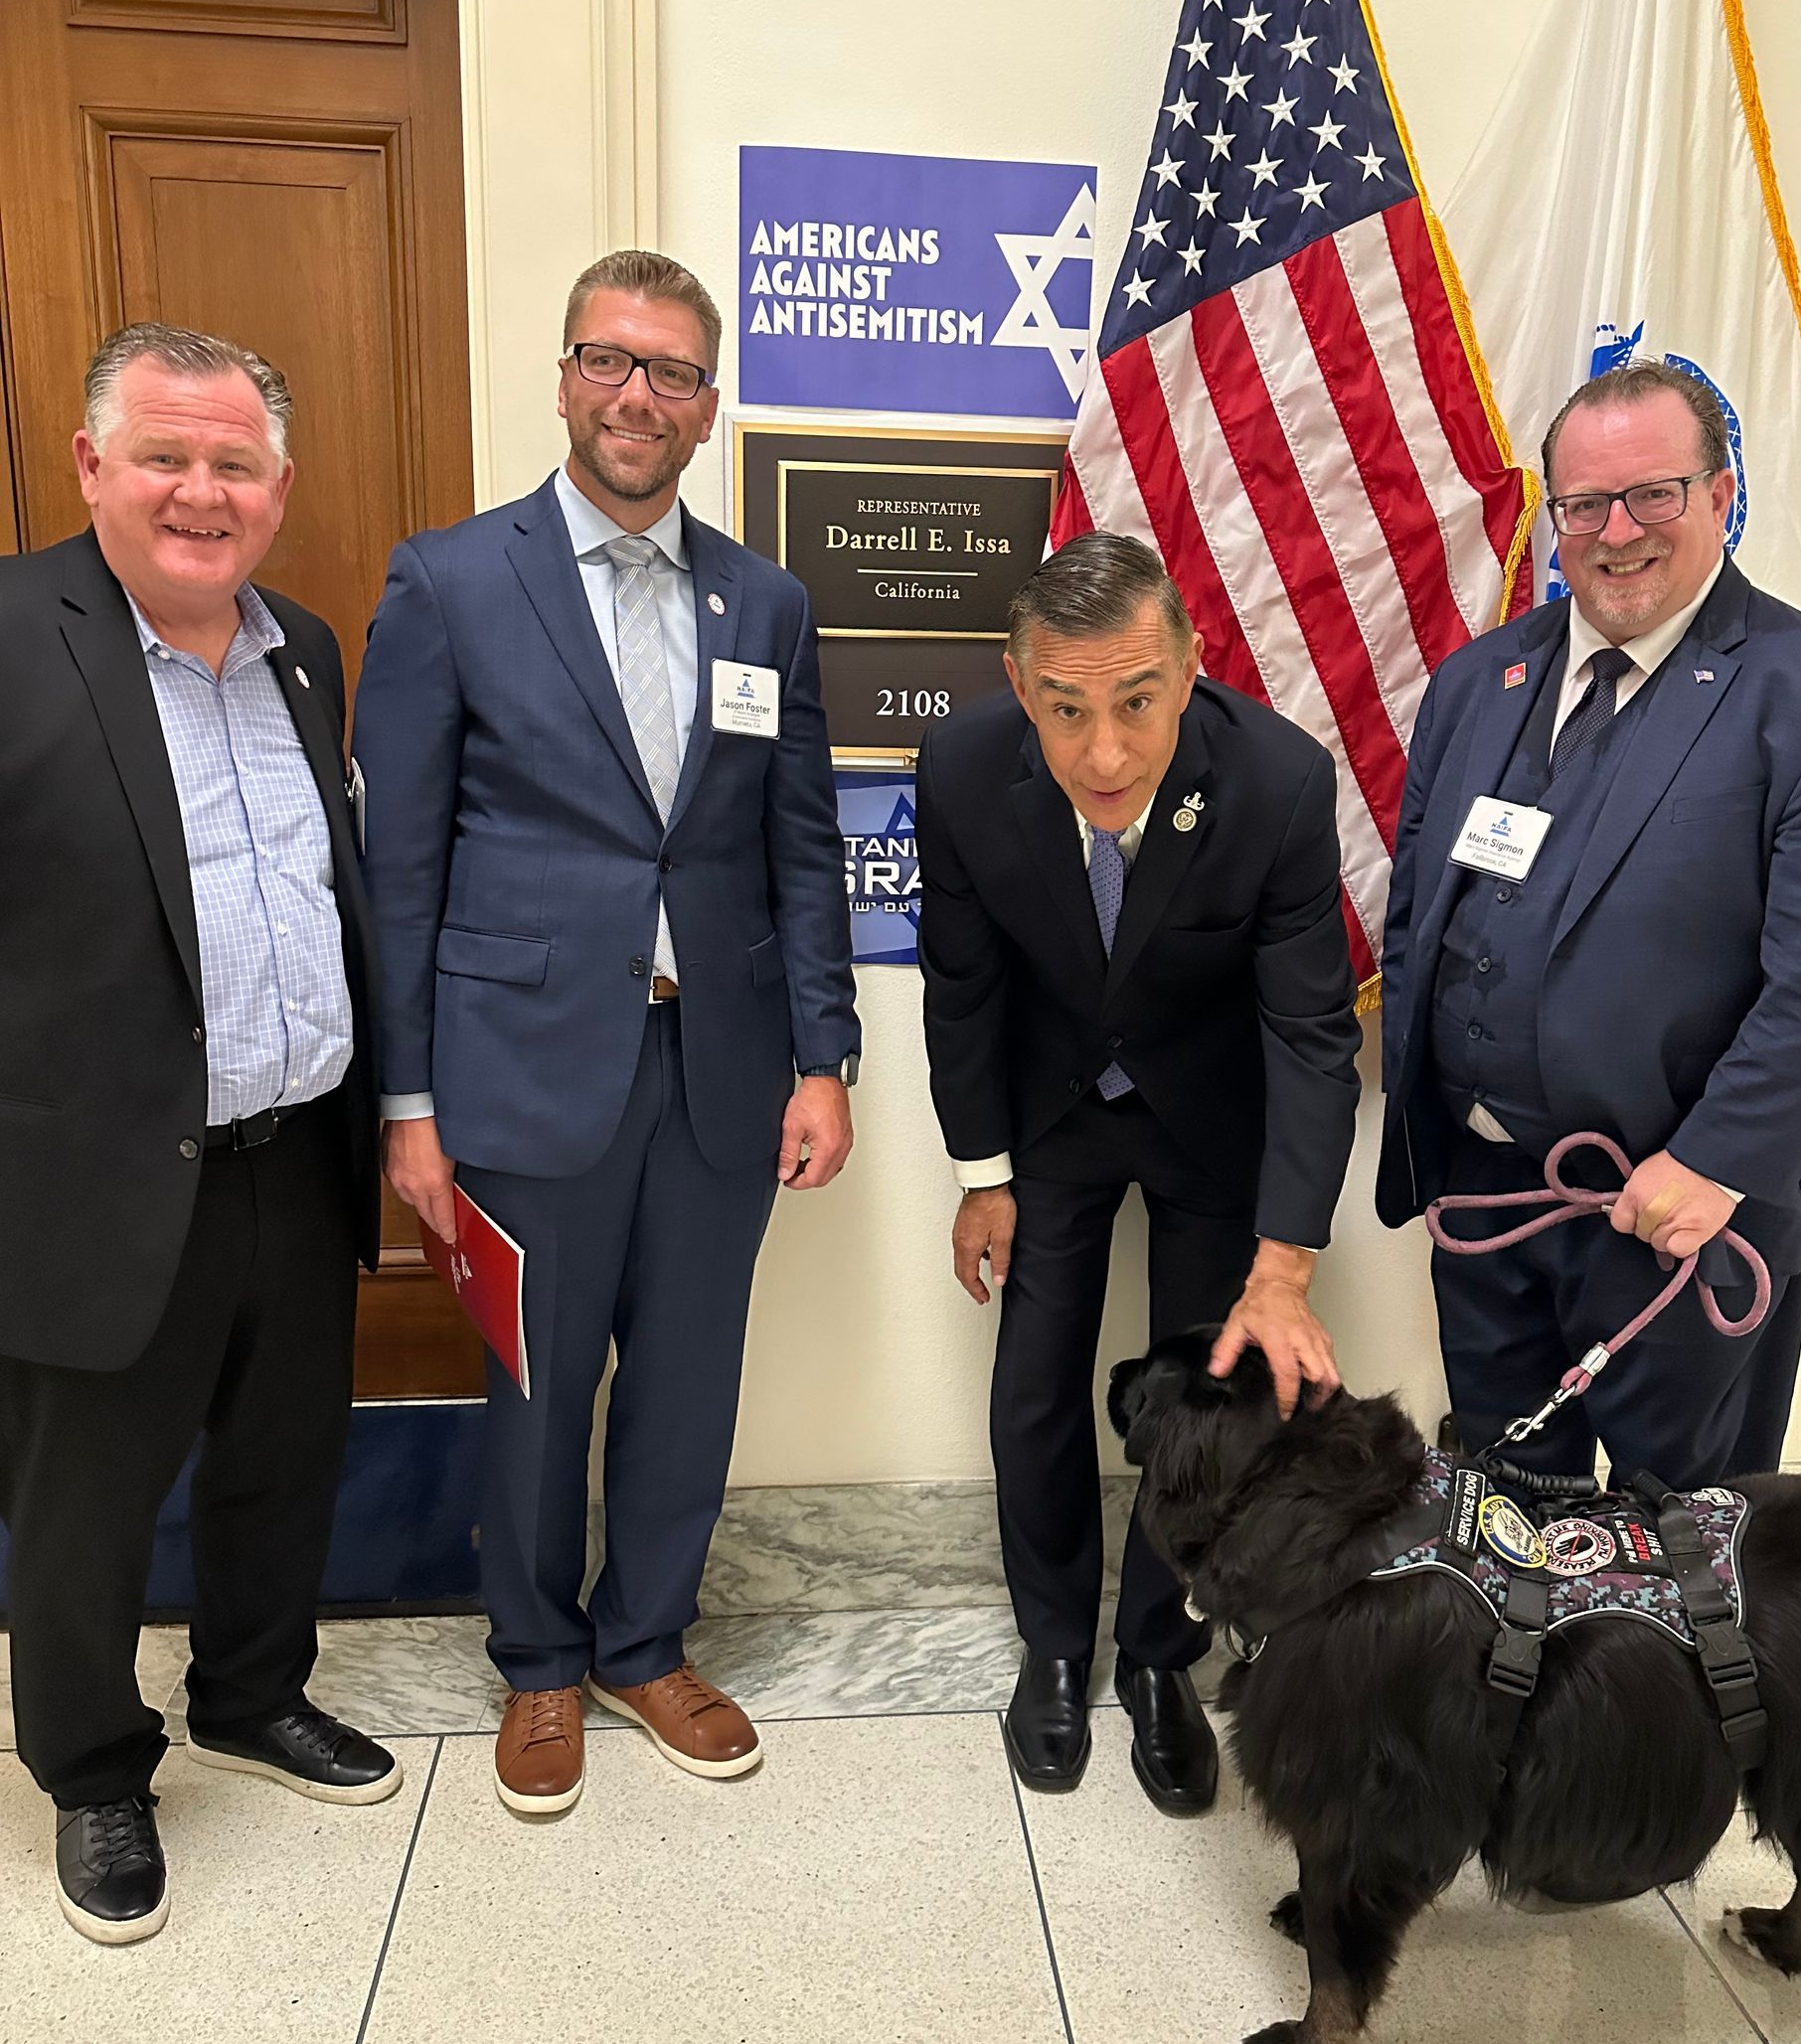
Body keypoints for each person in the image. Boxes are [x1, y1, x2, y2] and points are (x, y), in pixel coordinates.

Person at [354, 248, 859, 1817]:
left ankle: (647, 1645)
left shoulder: (762, 601)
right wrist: (410, 1102)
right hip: (517, 1069)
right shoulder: (449, 580)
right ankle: (537, 1665)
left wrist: (826, 1058)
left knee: (688, 1381)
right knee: (536, 1383)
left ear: (711, 408)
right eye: (608, 360)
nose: (638, 395)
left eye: (673, 372)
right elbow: (404, 867)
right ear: (565, 377)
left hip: (717, 1067)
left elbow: (798, 848)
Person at [0, 324, 399, 1948]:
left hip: (295, 1155)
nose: (199, 490)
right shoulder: (17, 636)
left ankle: (250, 1690)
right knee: (86, 1502)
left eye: (233, 463)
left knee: (282, 1459)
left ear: (280, 489)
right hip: (97, 1176)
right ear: (92, 464)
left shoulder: (304, 644)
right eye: (164, 454)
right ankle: (95, 1767)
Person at [1379, 358, 1801, 1487]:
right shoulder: (1479, 683)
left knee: (1689, 1537)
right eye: (1582, 505)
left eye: (1653, 494)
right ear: (1553, 516)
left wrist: (1716, 1163)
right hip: (1486, 1202)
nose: (1615, 532)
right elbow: (1419, 913)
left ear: (1721, 495)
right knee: (1513, 1516)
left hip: (1683, 1215)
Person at [914, 533, 1360, 1812]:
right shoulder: (958, 766)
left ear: (1188, 668)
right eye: (1063, 709)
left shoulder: (1275, 780)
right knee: (1037, 1379)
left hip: (1207, 1122)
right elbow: (963, 985)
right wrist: (982, 1171)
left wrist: (1285, 1264)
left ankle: (1162, 1654)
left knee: (1208, 1401)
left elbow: (1312, 1031)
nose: (1103, 753)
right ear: (1017, 681)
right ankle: (1053, 1642)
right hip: (1048, 1120)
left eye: (1137, 702)